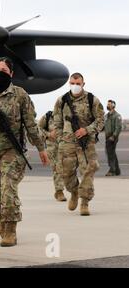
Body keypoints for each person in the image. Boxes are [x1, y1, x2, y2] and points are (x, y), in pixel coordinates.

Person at [0, 57, 49, 247]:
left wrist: (41, 148)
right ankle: (3, 218)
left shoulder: (20, 95)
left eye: (3, 70)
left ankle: (10, 229)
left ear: (11, 74)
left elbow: (30, 125)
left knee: (8, 190)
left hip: (13, 150)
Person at [53, 72, 104, 216]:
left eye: (78, 84)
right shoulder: (61, 100)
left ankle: (84, 202)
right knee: (66, 174)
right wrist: (60, 138)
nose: (75, 86)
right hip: (67, 143)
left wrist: (87, 130)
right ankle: (74, 192)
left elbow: (100, 120)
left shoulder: (92, 99)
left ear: (83, 84)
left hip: (86, 143)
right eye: (72, 83)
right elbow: (57, 122)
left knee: (88, 171)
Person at [38, 111, 66, 201]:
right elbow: (37, 128)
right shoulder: (47, 117)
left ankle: (67, 189)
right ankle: (59, 191)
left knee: (66, 169)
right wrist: (48, 134)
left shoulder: (67, 117)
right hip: (52, 147)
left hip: (65, 146)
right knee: (57, 168)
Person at [104, 100, 122, 176]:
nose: (107, 105)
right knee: (112, 153)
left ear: (113, 105)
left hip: (112, 137)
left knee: (110, 154)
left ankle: (112, 170)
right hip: (107, 137)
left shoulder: (117, 116)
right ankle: (117, 170)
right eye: (107, 104)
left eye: (109, 104)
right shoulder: (107, 115)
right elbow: (104, 126)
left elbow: (118, 127)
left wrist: (114, 136)